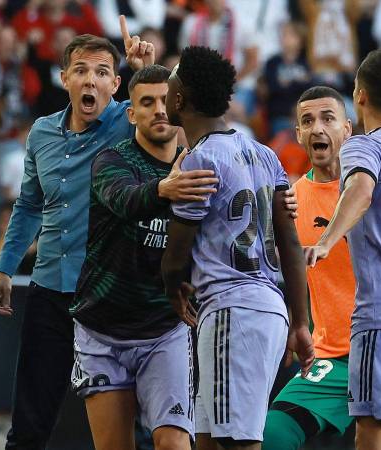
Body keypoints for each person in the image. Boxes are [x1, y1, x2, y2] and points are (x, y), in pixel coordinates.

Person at [0, 20, 173, 449]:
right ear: (64, 77)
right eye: (82, 69)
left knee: (137, 423)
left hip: (110, 294)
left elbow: (168, 118)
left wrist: (149, 68)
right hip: (50, 289)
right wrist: (4, 269)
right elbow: (29, 205)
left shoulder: (128, 122)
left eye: (103, 71)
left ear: (115, 83)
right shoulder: (41, 132)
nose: (92, 79)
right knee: (31, 417)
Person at [263, 85, 381, 450]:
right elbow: (272, 276)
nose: (317, 129)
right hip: (335, 357)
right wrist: (289, 323)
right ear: (297, 134)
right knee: (274, 435)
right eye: (307, 121)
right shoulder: (291, 203)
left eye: (328, 119)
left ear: (348, 128)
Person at [161, 46, 314, 450]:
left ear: (179, 98)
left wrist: (172, 288)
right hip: (269, 308)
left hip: (233, 309)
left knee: (239, 443)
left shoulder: (200, 160)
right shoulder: (265, 153)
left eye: (172, 78)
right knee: (210, 441)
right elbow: (290, 243)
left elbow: (176, 256)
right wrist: (300, 322)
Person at [70, 64, 217, 450]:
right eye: (146, 102)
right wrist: (165, 188)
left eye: (165, 101)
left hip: (164, 329)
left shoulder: (203, 164)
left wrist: (279, 197)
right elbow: (126, 200)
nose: (158, 110)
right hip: (103, 328)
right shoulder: (111, 161)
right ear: (131, 113)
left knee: (173, 444)